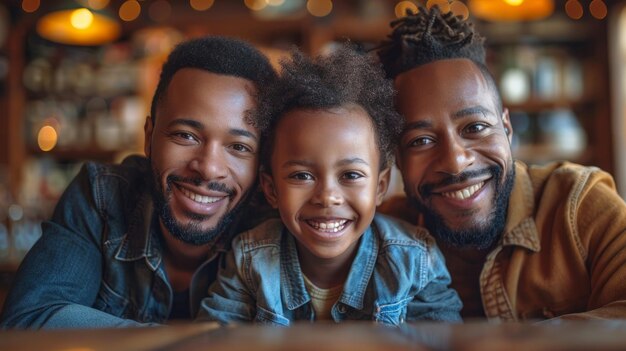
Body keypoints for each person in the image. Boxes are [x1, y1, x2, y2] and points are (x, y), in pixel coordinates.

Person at [0, 36, 277, 328]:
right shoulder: (101, 195)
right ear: (148, 137)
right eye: (186, 135)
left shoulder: (274, 224)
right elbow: (28, 321)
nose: (208, 169)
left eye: (239, 147)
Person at [376, 5, 626, 321]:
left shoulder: (578, 207)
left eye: (475, 127)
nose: (455, 162)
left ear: (506, 128)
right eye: (420, 141)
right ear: (396, 157)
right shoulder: (380, 239)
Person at [197, 46, 462, 326]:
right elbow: (214, 338)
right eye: (302, 176)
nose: (327, 197)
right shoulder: (250, 260)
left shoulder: (415, 261)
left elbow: (443, 341)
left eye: (350, 175)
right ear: (271, 188)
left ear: (380, 186)